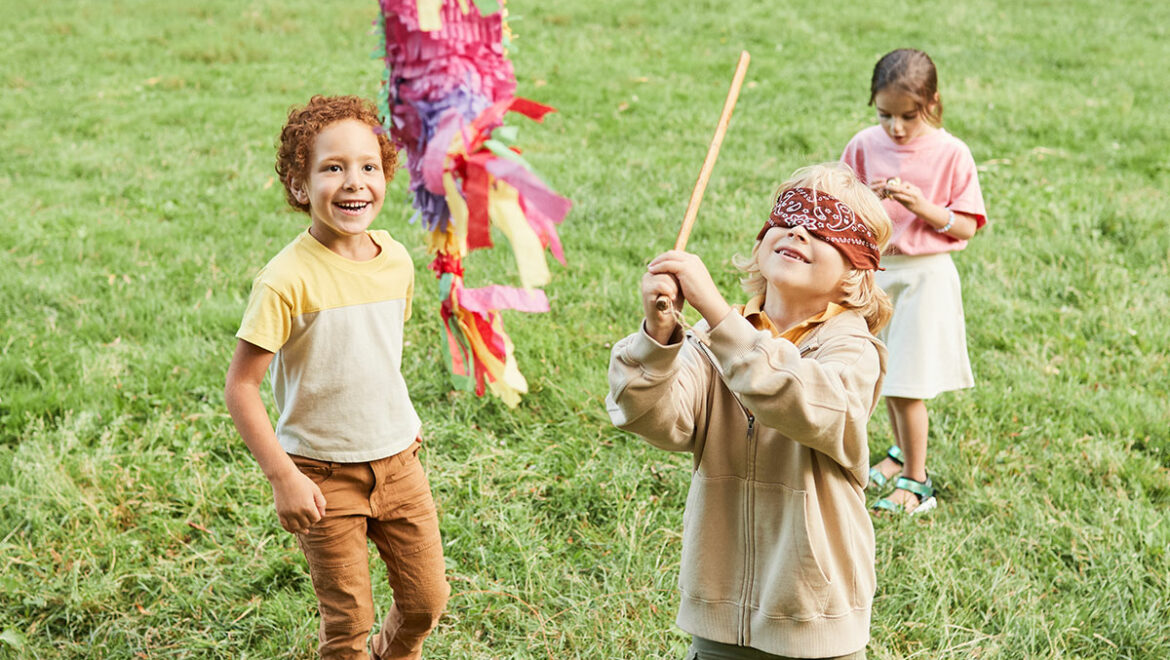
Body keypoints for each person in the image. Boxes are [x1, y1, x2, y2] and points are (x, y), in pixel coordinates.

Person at [607, 163, 892, 659]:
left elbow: (805, 402)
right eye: (789, 215)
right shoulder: (713, 339)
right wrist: (659, 338)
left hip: (815, 620)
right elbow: (654, 418)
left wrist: (717, 315)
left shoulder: (853, 351)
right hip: (719, 615)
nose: (800, 228)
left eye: (825, 226)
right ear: (763, 242)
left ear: (854, 272)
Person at [224, 95, 449, 660]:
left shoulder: (396, 259)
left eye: (368, 166)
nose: (355, 182)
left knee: (426, 602)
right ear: (301, 187)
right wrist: (284, 478)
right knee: (347, 625)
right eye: (333, 168)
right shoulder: (285, 281)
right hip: (322, 477)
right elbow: (242, 387)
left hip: (399, 462)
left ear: (386, 174)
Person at [840, 48, 988, 515]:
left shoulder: (951, 152)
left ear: (933, 101)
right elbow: (843, 207)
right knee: (884, 372)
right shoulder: (864, 144)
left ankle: (917, 482)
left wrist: (922, 207)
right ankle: (899, 453)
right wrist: (868, 197)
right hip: (877, 273)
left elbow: (966, 226)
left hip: (926, 277)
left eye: (909, 116)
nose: (896, 128)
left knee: (909, 385)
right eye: (885, 115)